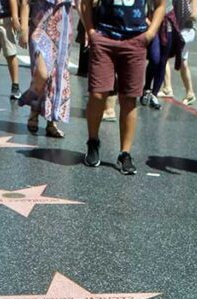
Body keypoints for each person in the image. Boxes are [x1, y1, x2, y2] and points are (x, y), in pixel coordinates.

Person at [81, 0, 165, 175]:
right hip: (104, 38)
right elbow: (85, 3)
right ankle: (93, 142)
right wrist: (90, 31)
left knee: (129, 99)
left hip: (135, 41)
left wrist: (149, 34)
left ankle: (124, 153)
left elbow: (160, 5)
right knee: (97, 93)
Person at [17, 0, 73, 137]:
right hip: (39, 29)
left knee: (57, 77)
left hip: (63, 29)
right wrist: (23, 28)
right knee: (42, 74)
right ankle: (34, 106)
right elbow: (25, 2)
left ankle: (51, 121)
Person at [140, 12, 181, 110]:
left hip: (168, 27)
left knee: (163, 62)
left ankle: (154, 95)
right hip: (152, 25)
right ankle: (147, 88)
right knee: (155, 59)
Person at [174, 0, 197, 104]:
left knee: (164, 57)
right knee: (183, 62)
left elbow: (194, 14)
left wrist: (192, 15)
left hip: (186, 30)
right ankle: (190, 93)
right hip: (182, 29)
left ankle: (168, 88)